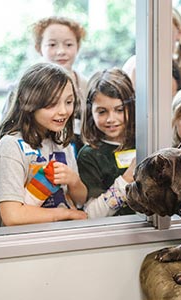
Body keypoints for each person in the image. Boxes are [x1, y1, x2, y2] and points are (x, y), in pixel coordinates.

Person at [0, 63, 88, 226]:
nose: (63, 111)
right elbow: (12, 216)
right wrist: (63, 214)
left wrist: (74, 181)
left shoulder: (62, 142)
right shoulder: (10, 147)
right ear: (28, 103)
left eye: (68, 102)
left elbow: (81, 199)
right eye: (52, 104)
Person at [3, 16, 88, 152]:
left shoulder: (86, 85)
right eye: (52, 45)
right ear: (39, 48)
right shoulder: (25, 85)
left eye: (69, 44)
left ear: (78, 46)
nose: (61, 51)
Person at [77, 68, 136, 218]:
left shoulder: (146, 141)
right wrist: (125, 181)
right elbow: (91, 214)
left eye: (119, 110)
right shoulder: (89, 155)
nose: (111, 119)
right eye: (102, 112)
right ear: (91, 112)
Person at [122, 7, 181, 88]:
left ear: (179, 33)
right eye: (155, 29)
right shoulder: (136, 64)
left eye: (165, 29)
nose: (159, 35)